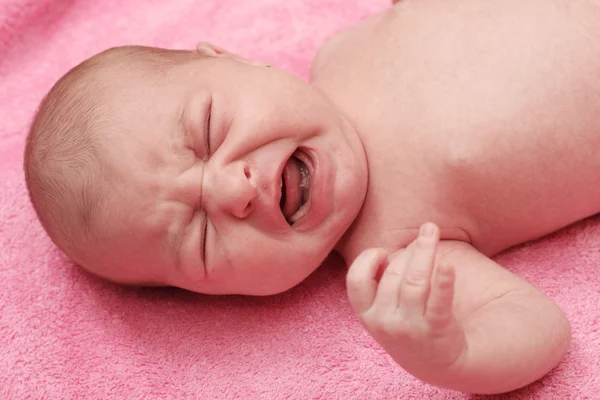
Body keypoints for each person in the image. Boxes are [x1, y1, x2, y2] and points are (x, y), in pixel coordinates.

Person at [24, 0, 600, 393]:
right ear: (223, 296)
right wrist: (450, 354)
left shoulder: (342, 52)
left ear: (235, 60)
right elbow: (536, 327)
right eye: (199, 236)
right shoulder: (397, 250)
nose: (233, 190)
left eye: (208, 131)